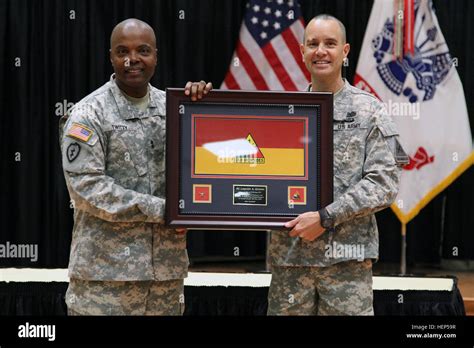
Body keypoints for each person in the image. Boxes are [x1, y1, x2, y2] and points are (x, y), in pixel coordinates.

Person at [60, 18, 212, 315]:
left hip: (164, 281)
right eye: (122, 51)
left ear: (156, 55)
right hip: (104, 283)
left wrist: (205, 108)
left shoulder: (176, 108)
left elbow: (207, 164)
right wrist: (164, 210)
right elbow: (87, 190)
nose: (132, 60)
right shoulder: (87, 113)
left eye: (143, 50)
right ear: (111, 57)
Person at [267, 14, 409, 315]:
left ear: (345, 52)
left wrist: (325, 217)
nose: (321, 51)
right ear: (301, 52)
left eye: (330, 44)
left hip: (347, 260)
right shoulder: (283, 113)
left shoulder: (370, 111)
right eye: (313, 44)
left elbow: (383, 184)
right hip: (291, 259)